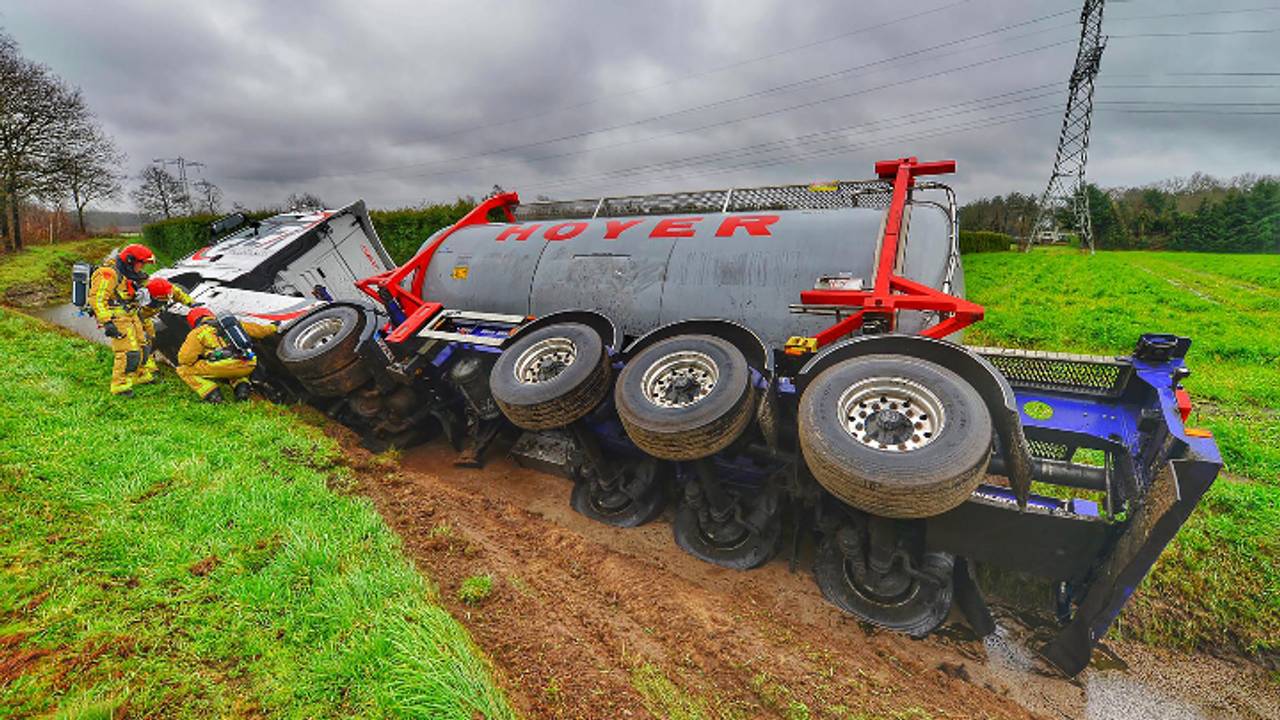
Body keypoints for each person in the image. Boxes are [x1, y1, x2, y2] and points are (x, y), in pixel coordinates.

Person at [88, 243, 155, 396]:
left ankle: (140, 375)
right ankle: (120, 385)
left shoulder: (130, 273)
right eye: (141, 263)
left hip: (132, 314)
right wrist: (107, 322)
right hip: (117, 317)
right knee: (129, 352)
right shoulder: (108, 273)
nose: (142, 267)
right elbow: (97, 299)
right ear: (130, 261)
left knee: (144, 345)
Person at [175, 307, 277, 403]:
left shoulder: (198, 333)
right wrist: (274, 326)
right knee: (234, 367)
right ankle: (242, 390)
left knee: (183, 370)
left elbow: (185, 359)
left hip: (226, 365)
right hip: (249, 362)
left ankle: (213, 396)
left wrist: (200, 358)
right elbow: (260, 331)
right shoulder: (232, 324)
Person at [138, 277, 197, 380]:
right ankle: (150, 369)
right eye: (164, 297)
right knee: (141, 342)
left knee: (177, 320)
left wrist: (190, 303)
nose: (168, 298)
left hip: (159, 313)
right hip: (141, 321)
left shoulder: (165, 288)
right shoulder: (138, 300)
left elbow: (178, 293)